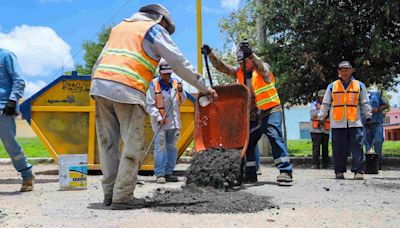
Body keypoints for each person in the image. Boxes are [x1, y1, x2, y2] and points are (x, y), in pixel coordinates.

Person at [90, 4, 217, 210]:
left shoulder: (120, 27)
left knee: (108, 145)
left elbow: (101, 59)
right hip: (126, 87)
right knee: (133, 143)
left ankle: (110, 194)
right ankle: (122, 197)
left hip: (101, 85)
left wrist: (95, 87)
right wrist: (204, 86)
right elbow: (178, 61)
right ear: (161, 19)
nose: (167, 32)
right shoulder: (153, 29)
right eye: (167, 28)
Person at [202, 41, 293, 184]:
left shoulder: (262, 70)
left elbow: (261, 65)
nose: (240, 65)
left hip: (270, 110)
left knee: (274, 135)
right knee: (248, 142)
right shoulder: (239, 72)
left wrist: (251, 53)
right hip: (252, 115)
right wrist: (211, 55)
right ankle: (250, 173)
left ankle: (285, 171)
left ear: (250, 59)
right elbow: (222, 67)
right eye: (238, 62)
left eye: (243, 61)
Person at [318, 61, 371, 180]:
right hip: (338, 123)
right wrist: (321, 117)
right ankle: (339, 171)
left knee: (357, 147)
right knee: (338, 149)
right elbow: (325, 103)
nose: (344, 72)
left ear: (351, 70)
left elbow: (365, 103)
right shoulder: (332, 86)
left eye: (346, 69)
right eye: (341, 70)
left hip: (355, 122)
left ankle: (358, 171)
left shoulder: (359, 85)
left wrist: (368, 117)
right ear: (338, 72)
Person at [146, 60, 186, 183]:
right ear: (160, 72)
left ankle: (169, 172)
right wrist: (157, 116)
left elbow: (182, 100)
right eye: (165, 74)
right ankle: (159, 174)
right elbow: (149, 104)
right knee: (160, 147)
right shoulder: (153, 84)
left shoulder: (175, 83)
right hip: (160, 123)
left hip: (174, 122)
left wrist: (180, 91)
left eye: (169, 73)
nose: (167, 76)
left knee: (172, 147)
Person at [0, 48, 33, 192]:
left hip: (4, 108)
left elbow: (19, 80)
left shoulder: (6, 56)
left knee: (10, 144)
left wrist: (13, 100)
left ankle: (27, 175)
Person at [365, 89, 388, 169]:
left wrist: (378, 109)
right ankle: (370, 163)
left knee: (378, 140)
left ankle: (378, 161)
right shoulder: (359, 95)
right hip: (365, 123)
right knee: (367, 144)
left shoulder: (376, 94)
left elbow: (385, 105)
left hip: (377, 122)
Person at [309, 89, 330, 169]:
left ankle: (326, 164)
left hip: (325, 129)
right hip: (315, 129)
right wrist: (323, 113)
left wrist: (320, 113)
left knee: (325, 148)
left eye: (324, 97)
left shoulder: (329, 105)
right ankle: (315, 164)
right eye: (321, 97)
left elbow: (331, 114)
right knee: (316, 148)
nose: (323, 99)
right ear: (318, 97)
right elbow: (312, 114)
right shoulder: (313, 104)